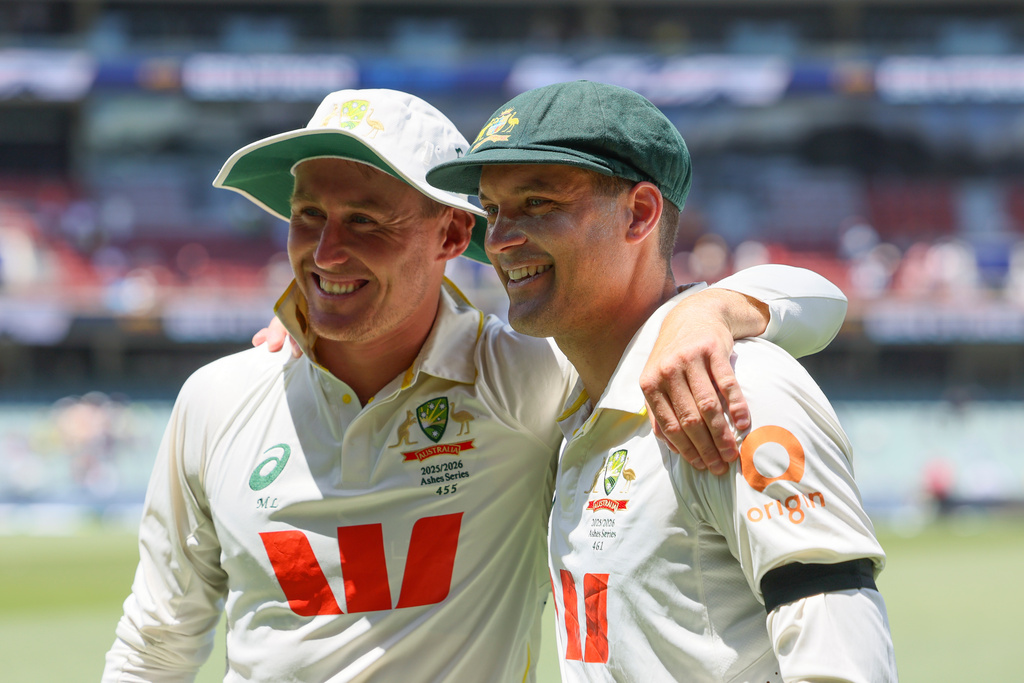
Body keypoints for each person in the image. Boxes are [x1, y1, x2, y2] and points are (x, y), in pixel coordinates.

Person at [103, 88, 847, 682]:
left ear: (456, 238)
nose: (327, 252)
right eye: (309, 217)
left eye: (366, 220)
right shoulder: (218, 398)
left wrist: (711, 308)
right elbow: (154, 647)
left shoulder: (532, 375)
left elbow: (817, 300)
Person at [426, 80, 897, 682]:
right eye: (491, 211)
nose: (499, 239)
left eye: (538, 203)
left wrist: (713, 309)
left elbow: (840, 662)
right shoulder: (564, 396)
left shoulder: (734, 388)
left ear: (640, 214)